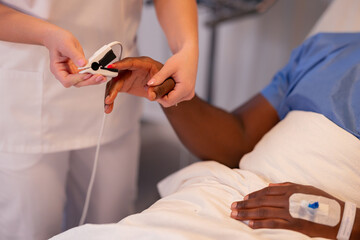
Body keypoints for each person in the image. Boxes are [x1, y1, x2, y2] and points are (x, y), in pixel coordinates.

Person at [103, 32, 360, 239]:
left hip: (326, 225)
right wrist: (162, 87)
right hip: (231, 197)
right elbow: (239, 138)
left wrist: (342, 220)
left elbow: (334, 218)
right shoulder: (327, 49)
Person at [0, 0, 198, 239]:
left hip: (116, 95)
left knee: (113, 226)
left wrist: (187, 47)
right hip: (25, 99)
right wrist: (45, 34)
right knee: (29, 230)